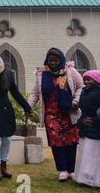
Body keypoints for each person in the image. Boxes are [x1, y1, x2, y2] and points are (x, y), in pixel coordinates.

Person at [28, 47, 83, 182]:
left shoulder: (69, 71)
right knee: (56, 143)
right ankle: (63, 170)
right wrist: (28, 106)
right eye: (50, 60)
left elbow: (81, 87)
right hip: (51, 115)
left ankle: (71, 170)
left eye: (55, 60)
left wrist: (75, 101)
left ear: (61, 59)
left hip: (68, 112)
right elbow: (35, 93)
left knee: (71, 142)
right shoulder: (42, 74)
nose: (53, 63)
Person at [73, 70, 100, 188]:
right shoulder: (84, 92)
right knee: (85, 152)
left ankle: (94, 178)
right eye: (85, 80)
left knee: (94, 153)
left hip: (96, 128)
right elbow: (82, 109)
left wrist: (95, 120)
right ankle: (84, 176)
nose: (86, 82)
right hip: (85, 126)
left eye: (89, 79)